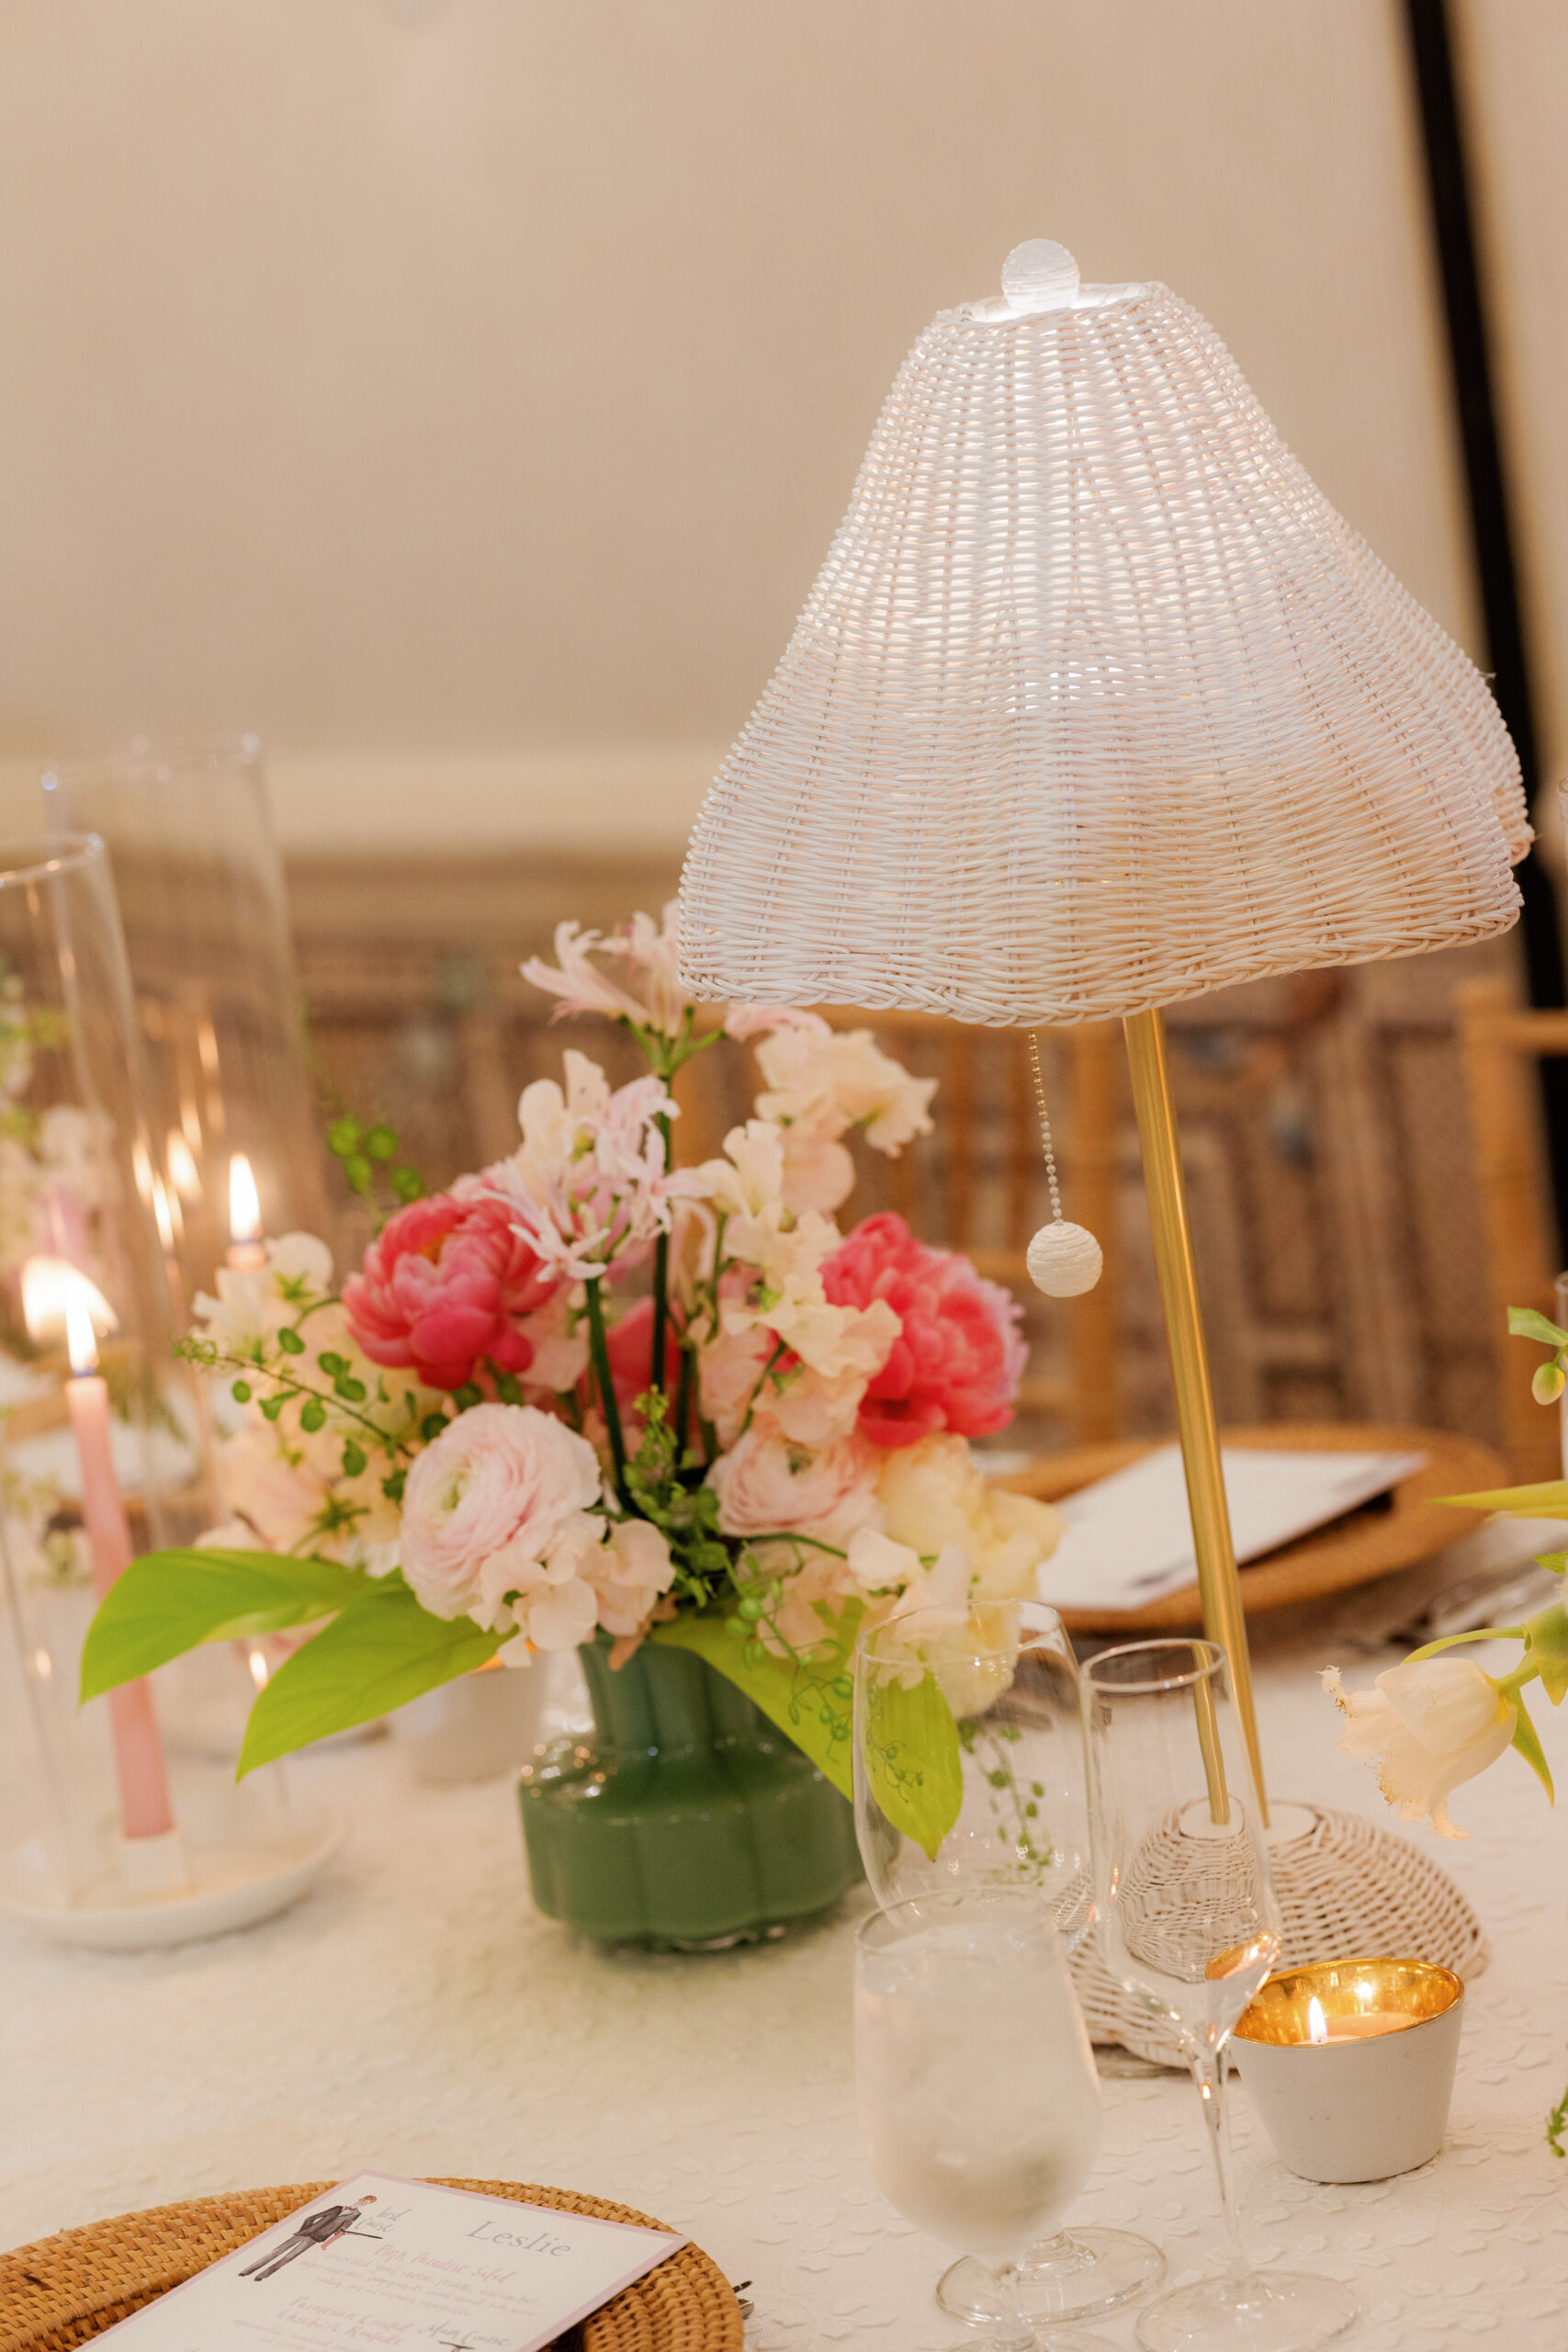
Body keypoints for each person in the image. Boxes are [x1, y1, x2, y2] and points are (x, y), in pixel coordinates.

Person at [238, 2195, 378, 2280]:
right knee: (276, 2252)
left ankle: (262, 2276)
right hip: (304, 2233)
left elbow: (342, 2228)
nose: (362, 2203)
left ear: (366, 2206)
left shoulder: (356, 2215)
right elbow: (311, 2218)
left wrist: (340, 2233)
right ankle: (246, 2271)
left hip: (316, 2238)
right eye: (362, 2200)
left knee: (289, 2257)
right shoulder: (337, 2208)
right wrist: (304, 2230)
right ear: (359, 2199)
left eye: (365, 2203)